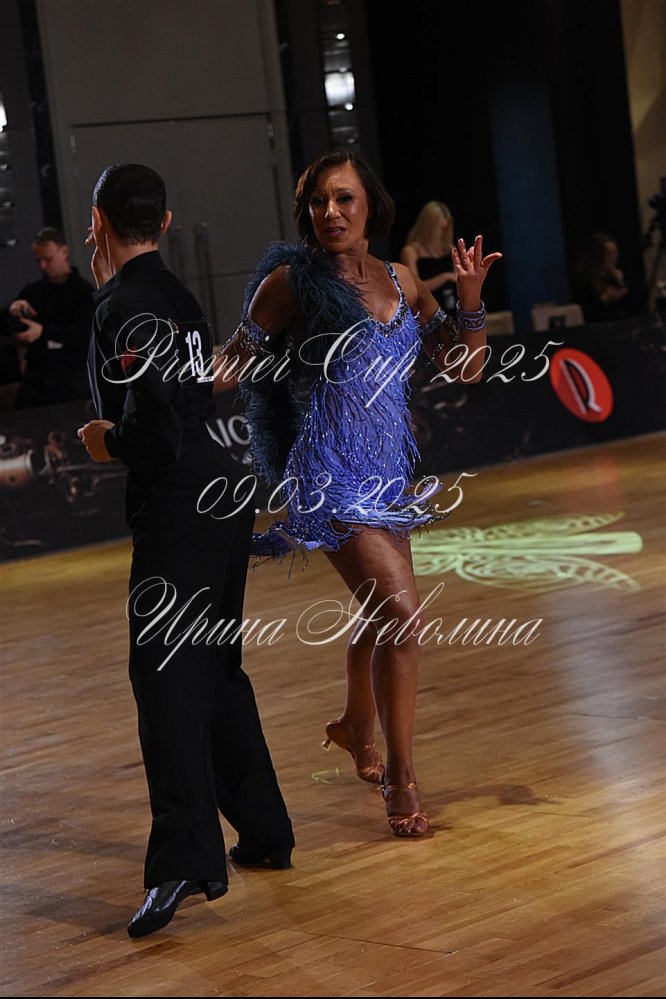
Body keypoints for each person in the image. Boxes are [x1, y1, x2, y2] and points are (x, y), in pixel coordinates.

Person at [214, 152, 501, 838]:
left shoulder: (402, 279)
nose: (330, 212)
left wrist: (468, 300)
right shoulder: (291, 282)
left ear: (370, 204)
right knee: (402, 616)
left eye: (343, 198)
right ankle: (402, 778)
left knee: (380, 615)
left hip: (387, 476)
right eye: (318, 202)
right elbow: (230, 364)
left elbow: (464, 367)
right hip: (326, 474)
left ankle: (353, 725)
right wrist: (162, 380)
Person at [77, 163, 294, 939]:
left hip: (182, 505)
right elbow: (192, 397)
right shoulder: (176, 295)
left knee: (164, 678)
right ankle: (264, 830)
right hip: (225, 496)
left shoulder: (124, 305)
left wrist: (106, 441)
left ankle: (183, 860)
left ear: (98, 224)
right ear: (166, 224)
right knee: (215, 670)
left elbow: (157, 432)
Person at [7, 226, 94, 407]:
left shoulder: (83, 291)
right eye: (38, 260)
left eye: (48, 259)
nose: (43, 266)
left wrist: (43, 332)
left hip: (73, 374)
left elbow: (84, 334)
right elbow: (8, 325)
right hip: (38, 375)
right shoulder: (33, 291)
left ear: (64, 252)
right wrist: (13, 309)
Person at [400, 201, 457, 313]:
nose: (442, 234)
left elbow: (457, 278)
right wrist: (445, 277)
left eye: (445, 229)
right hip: (426, 311)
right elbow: (415, 288)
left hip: (450, 305)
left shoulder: (449, 248)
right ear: (428, 227)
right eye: (440, 229)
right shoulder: (411, 251)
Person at [572, 232, 629, 322]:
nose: (613, 258)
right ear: (597, 255)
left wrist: (620, 283)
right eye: (609, 254)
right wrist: (605, 299)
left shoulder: (612, 276)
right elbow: (586, 311)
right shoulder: (583, 278)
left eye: (615, 253)